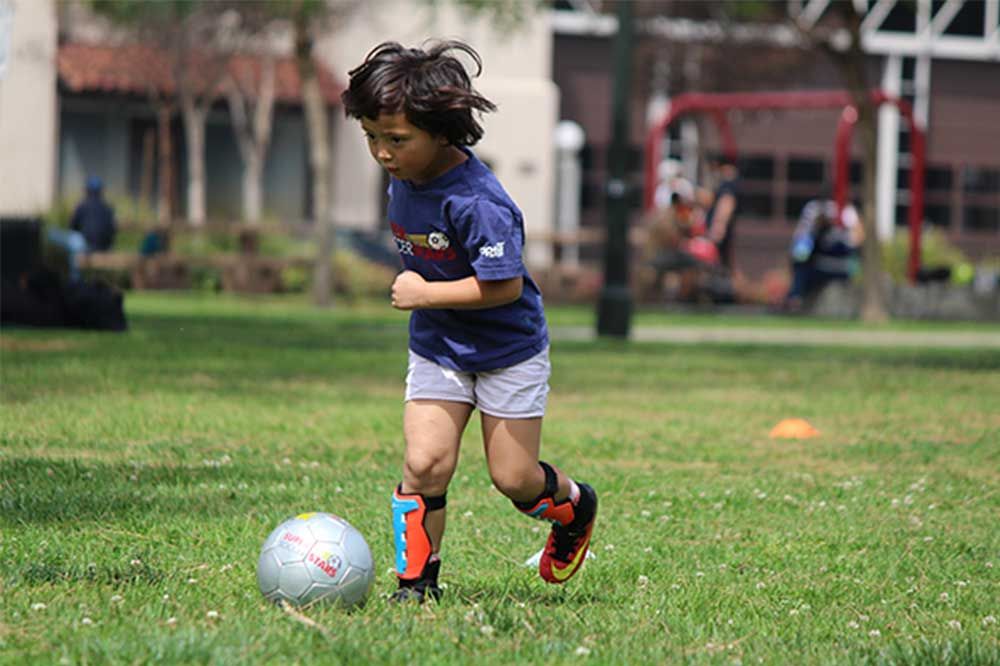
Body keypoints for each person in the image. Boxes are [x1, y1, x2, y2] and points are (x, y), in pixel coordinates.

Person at [341, 40, 598, 603]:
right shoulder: (404, 178)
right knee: (424, 462)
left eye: (397, 139)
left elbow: (503, 287)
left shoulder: (479, 202)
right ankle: (416, 586)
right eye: (372, 138)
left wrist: (425, 292)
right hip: (440, 347)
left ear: (441, 131)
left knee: (514, 479)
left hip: (509, 350)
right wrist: (431, 303)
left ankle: (576, 509)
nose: (383, 152)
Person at [783, 198, 864, 310]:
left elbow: (858, 240)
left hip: (843, 268)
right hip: (819, 266)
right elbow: (800, 250)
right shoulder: (814, 209)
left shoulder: (848, 212)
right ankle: (795, 301)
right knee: (801, 267)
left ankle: (795, 300)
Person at [48, 176, 117, 281]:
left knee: (55, 234)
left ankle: (75, 281)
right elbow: (112, 231)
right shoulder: (108, 208)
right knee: (76, 242)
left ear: (87, 190)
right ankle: (75, 280)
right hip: (104, 247)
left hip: (86, 247)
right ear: (101, 191)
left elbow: (72, 227)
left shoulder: (82, 206)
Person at [703, 157, 739, 269]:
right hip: (721, 233)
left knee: (716, 265)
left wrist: (718, 227)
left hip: (717, 233)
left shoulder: (727, 183)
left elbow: (726, 203)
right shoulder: (728, 184)